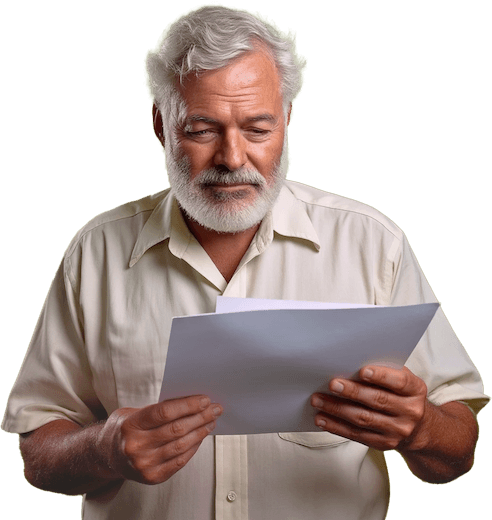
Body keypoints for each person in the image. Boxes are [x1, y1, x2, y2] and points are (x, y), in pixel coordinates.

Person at [2, 5, 489, 519]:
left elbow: (458, 452)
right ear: (160, 124)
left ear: (287, 120)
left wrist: (422, 428)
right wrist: (105, 448)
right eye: (202, 129)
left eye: (257, 129)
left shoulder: (373, 244)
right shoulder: (94, 252)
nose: (233, 158)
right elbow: (38, 453)